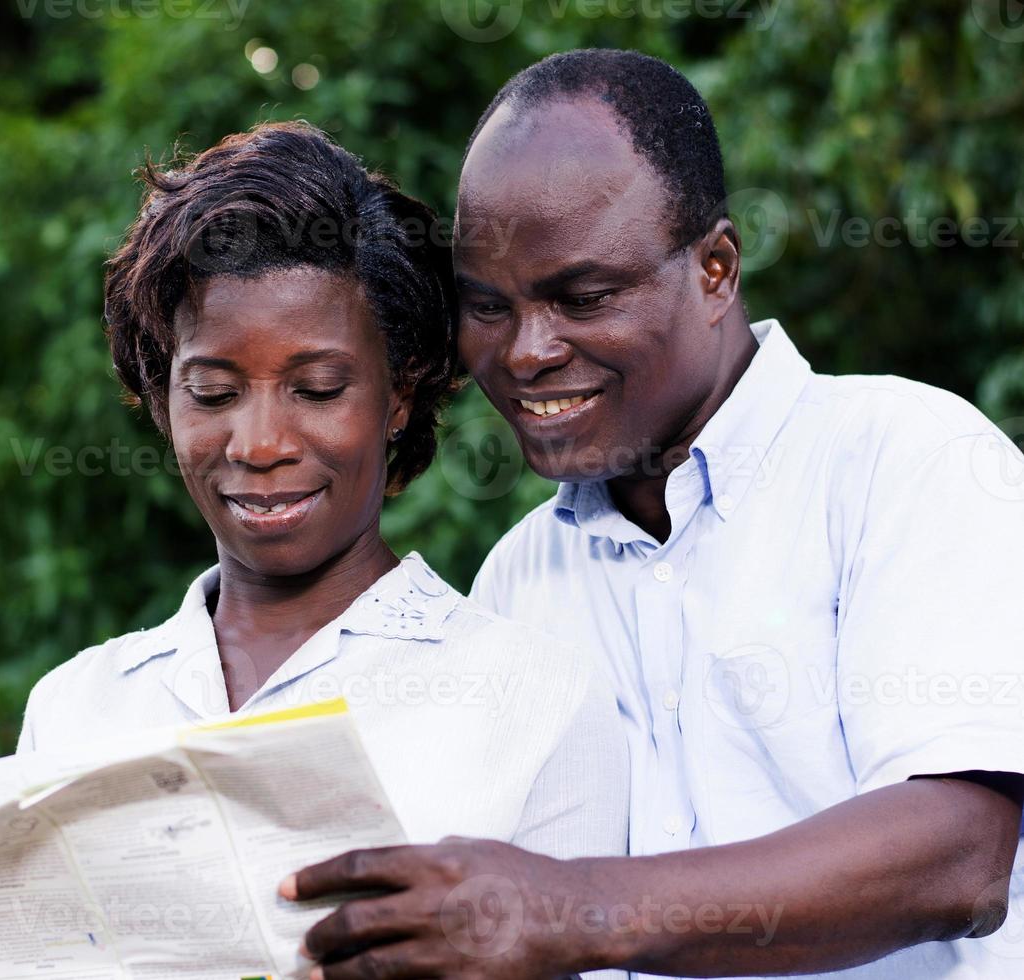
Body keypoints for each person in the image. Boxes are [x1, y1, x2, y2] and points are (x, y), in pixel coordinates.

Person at [283, 50, 1024, 979]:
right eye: (487, 307)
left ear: (716, 269)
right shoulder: (517, 581)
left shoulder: (906, 460)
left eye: (583, 298)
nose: (527, 352)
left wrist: (574, 909)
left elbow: (957, 858)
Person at [17, 122, 628, 871]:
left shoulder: (538, 701)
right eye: (212, 393)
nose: (260, 443)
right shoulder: (77, 708)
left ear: (399, 393)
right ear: (160, 397)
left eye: (317, 389)